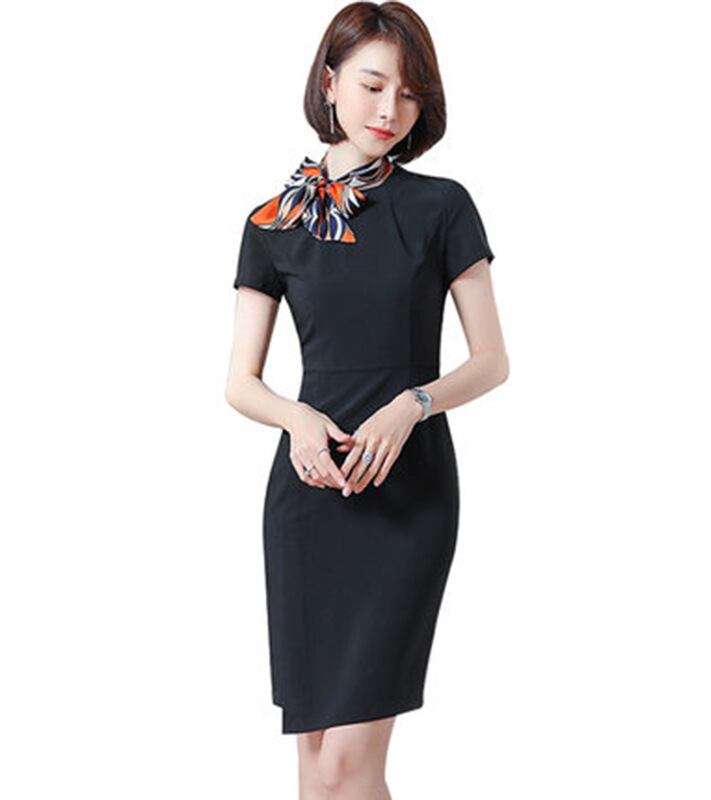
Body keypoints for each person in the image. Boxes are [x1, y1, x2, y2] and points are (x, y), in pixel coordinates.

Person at [225, 3, 509, 797]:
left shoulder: (442, 206)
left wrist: (412, 403)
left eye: (410, 94)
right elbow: (240, 382)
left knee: (351, 762)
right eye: (374, 85)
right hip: (309, 496)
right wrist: (296, 418)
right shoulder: (271, 223)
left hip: (406, 495)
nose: (391, 110)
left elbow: (492, 361)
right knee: (316, 763)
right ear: (329, 83)